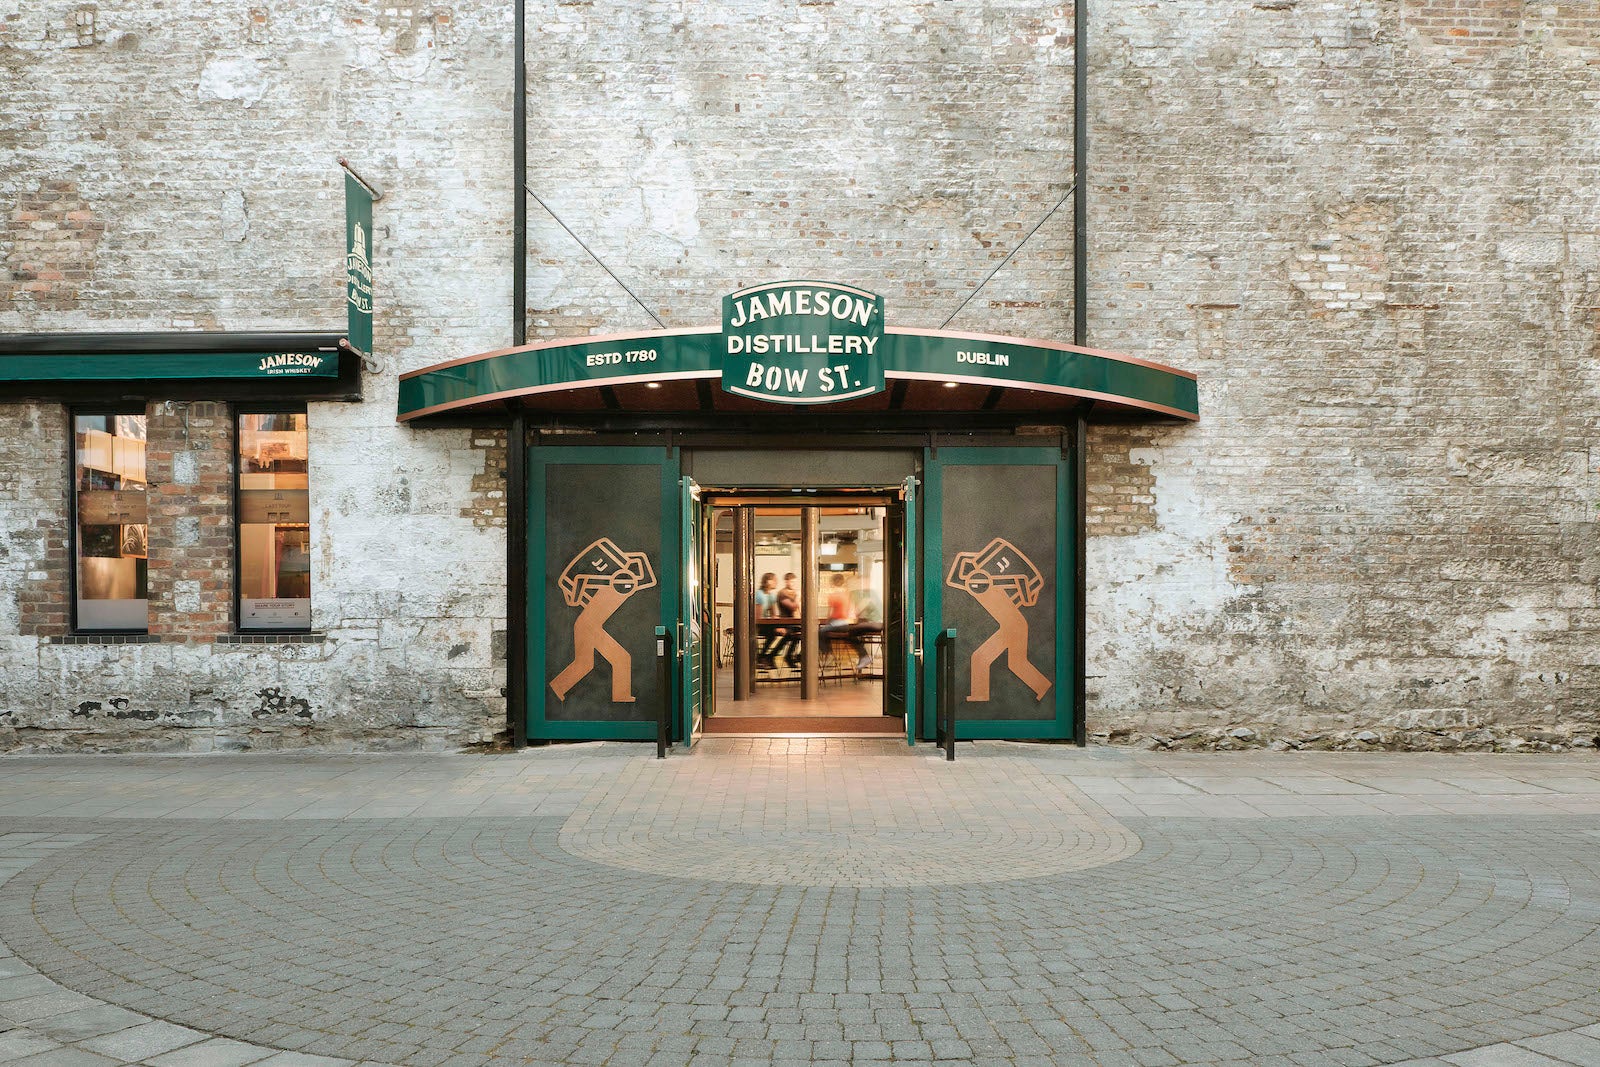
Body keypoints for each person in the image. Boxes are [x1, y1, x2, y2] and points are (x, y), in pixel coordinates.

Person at [767, 572, 802, 668]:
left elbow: (799, 608)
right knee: (791, 633)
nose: (794, 584)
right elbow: (792, 607)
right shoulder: (782, 593)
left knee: (799, 633)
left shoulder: (794, 593)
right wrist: (798, 597)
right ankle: (777, 655)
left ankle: (790, 655)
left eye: (795, 582)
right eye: (792, 582)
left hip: (794, 622)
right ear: (787, 581)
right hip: (785, 621)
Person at [755, 572, 781, 667]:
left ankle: (769, 656)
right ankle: (762, 657)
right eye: (774, 580)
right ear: (768, 581)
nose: (776, 582)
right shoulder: (759, 595)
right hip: (758, 626)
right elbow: (758, 617)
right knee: (773, 633)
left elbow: (774, 613)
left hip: (767, 624)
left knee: (788, 632)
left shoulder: (771, 596)